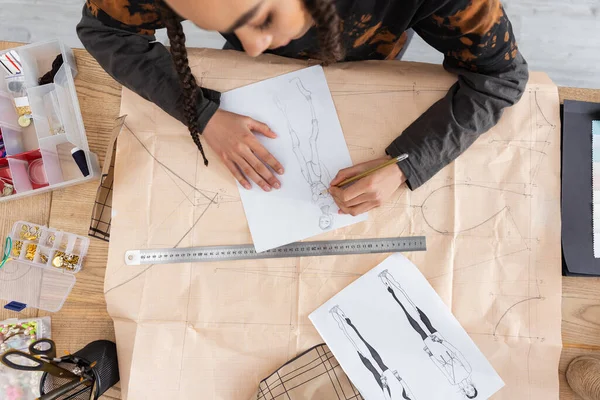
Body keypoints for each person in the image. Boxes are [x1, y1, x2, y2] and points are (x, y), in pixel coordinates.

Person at [77, 0, 528, 216]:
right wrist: (201, 111)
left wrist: (406, 163)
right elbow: (104, 31)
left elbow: (500, 77)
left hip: (374, 59)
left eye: (263, 19)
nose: (250, 49)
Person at [379, 270, 478, 399]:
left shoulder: (453, 382)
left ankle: (389, 288)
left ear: (465, 393)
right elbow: (457, 353)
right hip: (442, 345)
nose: (469, 389)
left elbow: (441, 368)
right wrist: (441, 341)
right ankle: (390, 279)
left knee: (417, 328)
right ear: (473, 387)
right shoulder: (468, 371)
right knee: (423, 318)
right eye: (472, 390)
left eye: (468, 393)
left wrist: (430, 355)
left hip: (437, 353)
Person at [275, 77, 334, 230]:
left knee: (296, 148)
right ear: (330, 219)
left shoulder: (314, 205)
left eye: (322, 223)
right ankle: (309, 99)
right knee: (312, 141)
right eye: (326, 222)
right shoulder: (332, 203)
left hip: (308, 177)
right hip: (317, 174)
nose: (324, 220)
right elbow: (328, 183)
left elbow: (313, 192)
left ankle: (283, 112)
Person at [330, 305, 416, 400]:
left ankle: (338, 318)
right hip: (393, 382)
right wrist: (399, 378)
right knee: (370, 351)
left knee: (361, 352)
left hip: (385, 385)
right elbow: (409, 394)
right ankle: (341, 315)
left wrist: (384, 385)